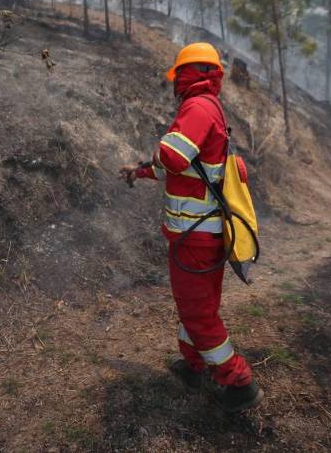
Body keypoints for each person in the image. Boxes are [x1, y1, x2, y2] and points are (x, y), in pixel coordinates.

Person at [119, 42, 262, 413]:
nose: (174, 84)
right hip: (197, 235)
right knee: (196, 305)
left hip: (196, 237)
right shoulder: (205, 106)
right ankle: (193, 366)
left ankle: (239, 382)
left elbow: (173, 155)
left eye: (176, 76)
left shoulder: (197, 108)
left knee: (199, 312)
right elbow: (177, 166)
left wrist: (159, 148)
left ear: (188, 74)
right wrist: (140, 171)